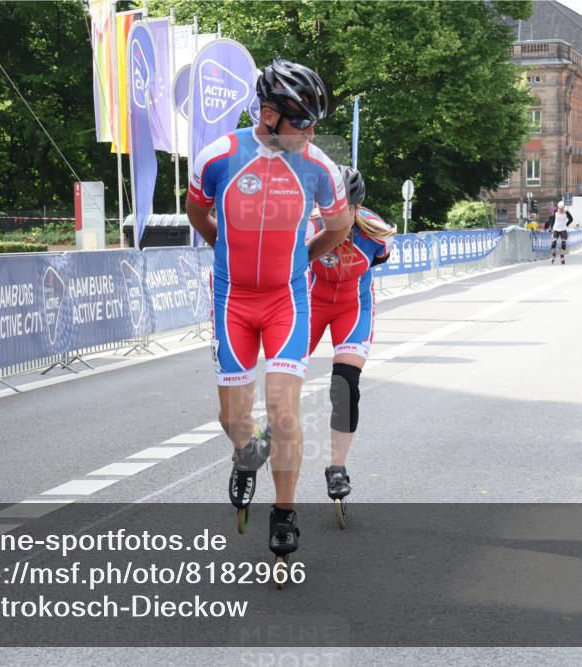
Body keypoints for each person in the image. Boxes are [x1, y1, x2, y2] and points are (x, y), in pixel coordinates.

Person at [186, 58, 351, 561]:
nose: (311, 132)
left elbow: (340, 227)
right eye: (302, 121)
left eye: (315, 123)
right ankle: (246, 452)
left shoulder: (319, 167)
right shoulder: (219, 156)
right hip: (232, 300)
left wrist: (303, 259)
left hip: (287, 302)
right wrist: (224, 251)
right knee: (233, 418)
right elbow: (198, 212)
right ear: (269, 114)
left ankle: (284, 513)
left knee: (283, 410)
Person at [307, 166, 394, 527]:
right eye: (331, 207)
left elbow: (378, 262)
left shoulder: (377, 234)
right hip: (311, 304)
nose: (337, 215)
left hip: (353, 307)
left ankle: (337, 468)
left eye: (346, 208)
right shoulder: (308, 226)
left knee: (344, 385)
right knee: (283, 377)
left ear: (358, 207)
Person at [550, 200, 573, 264]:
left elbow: (571, 219)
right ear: (558, 207)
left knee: (563, 244)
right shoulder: (555, 211)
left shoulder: (566, 212)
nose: (561, 210)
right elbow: (553, 220)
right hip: (556, 229)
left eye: (562, 208)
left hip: (563, 229)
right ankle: (553, 256)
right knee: (553, 244)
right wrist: (551, 227)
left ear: (563, 207)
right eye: (560, 208)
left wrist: (566, 224)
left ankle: (562, 257)